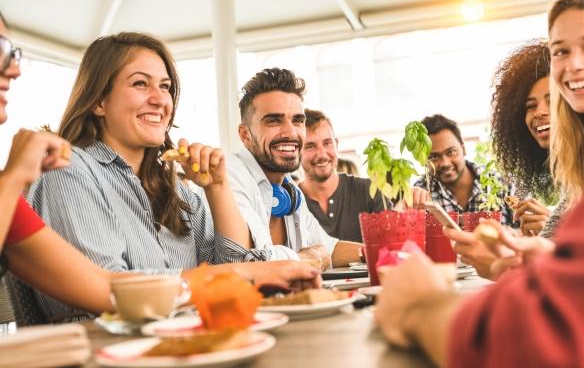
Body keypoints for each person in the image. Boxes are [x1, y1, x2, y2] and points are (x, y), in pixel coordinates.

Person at [375, 0, 584, 366]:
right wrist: (532, 263)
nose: (574, 64)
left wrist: (419, 307)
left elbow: (542, 342)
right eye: (560, 51)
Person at [25, 33, 320, 322]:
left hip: (186, 341)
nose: (159, 99)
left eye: (165, 87)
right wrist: (244, 273)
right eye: (140, 84)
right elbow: (110, 291)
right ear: (99, 101)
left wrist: (217, 187)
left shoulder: (174, 186)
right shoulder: (68, 170)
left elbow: (234, 266)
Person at [224, 68, 362, 268]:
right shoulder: (230, 176)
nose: (290, 132)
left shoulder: (289, 189)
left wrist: (387, 252)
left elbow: (328, 250)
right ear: (245, 135)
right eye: (273, 121)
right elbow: (251, 261)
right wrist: (306, 259)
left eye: (298, 120)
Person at [490, 40, 554, 237]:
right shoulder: (558, 175)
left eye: (551, 101)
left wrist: (554, 230)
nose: (539, 112)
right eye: (530, 106)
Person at [298, 108, 389, 242]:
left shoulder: (370, 191)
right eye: (310, 146)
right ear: (297, 151)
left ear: (337, 145)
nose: (322, 154)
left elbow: (392, 244)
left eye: (327, 143)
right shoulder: (292, 203)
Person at [413, 114, 516, 228]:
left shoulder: (501, 183)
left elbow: (530, 231)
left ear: (463, 149)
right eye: (434, 157)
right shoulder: (421, 189)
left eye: (451, 152)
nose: (445, 163)